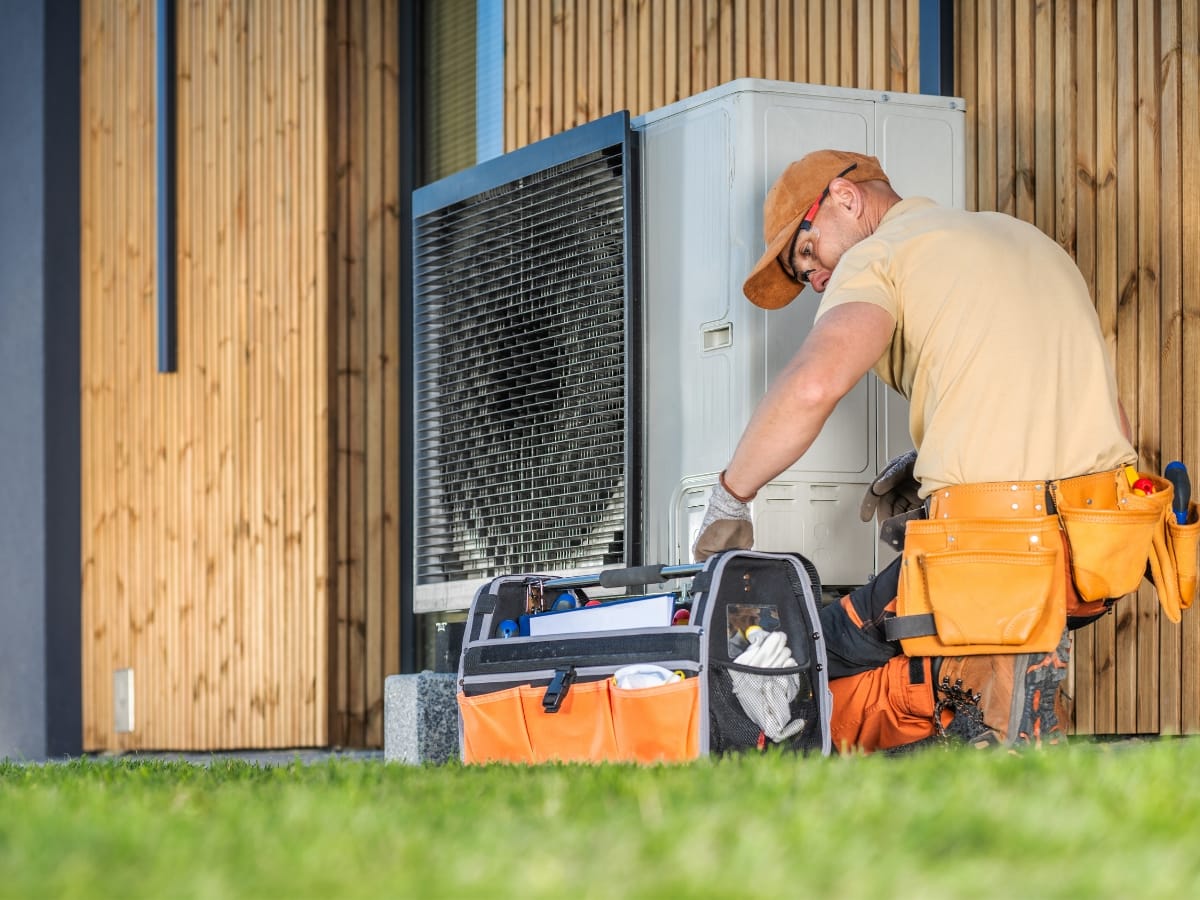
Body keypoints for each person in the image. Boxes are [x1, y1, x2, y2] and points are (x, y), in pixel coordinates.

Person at [692, 149, 1140, 752]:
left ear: (845, 200)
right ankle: (999, 704)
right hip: (1098, 553)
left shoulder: (881, 253)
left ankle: (976, 726)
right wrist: (943, 463)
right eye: (806, 278)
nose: (817, 280)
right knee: (938, 639)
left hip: (993, 554)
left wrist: (730, 497)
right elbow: (1109, 417)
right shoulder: (1024, 238)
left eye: (808, 254)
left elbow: (814, 384)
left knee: (801, 647)